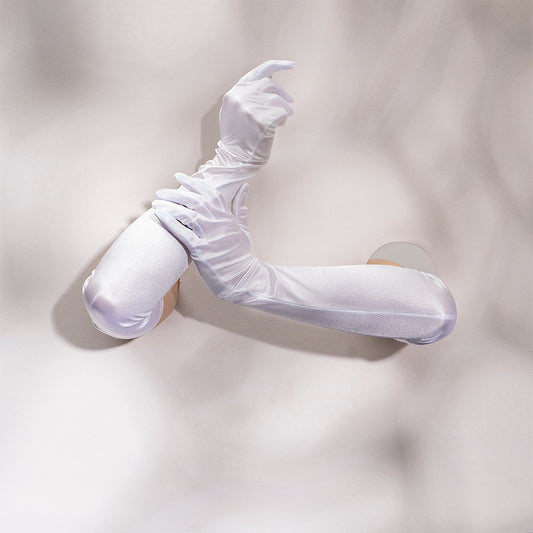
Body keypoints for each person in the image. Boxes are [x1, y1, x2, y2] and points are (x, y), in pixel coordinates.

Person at [83, 60, 457, 344]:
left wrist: (252, 280)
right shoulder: (175, 207)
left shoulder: (366, 191)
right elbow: (116, 304)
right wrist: (226, 167)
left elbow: (433, 314)